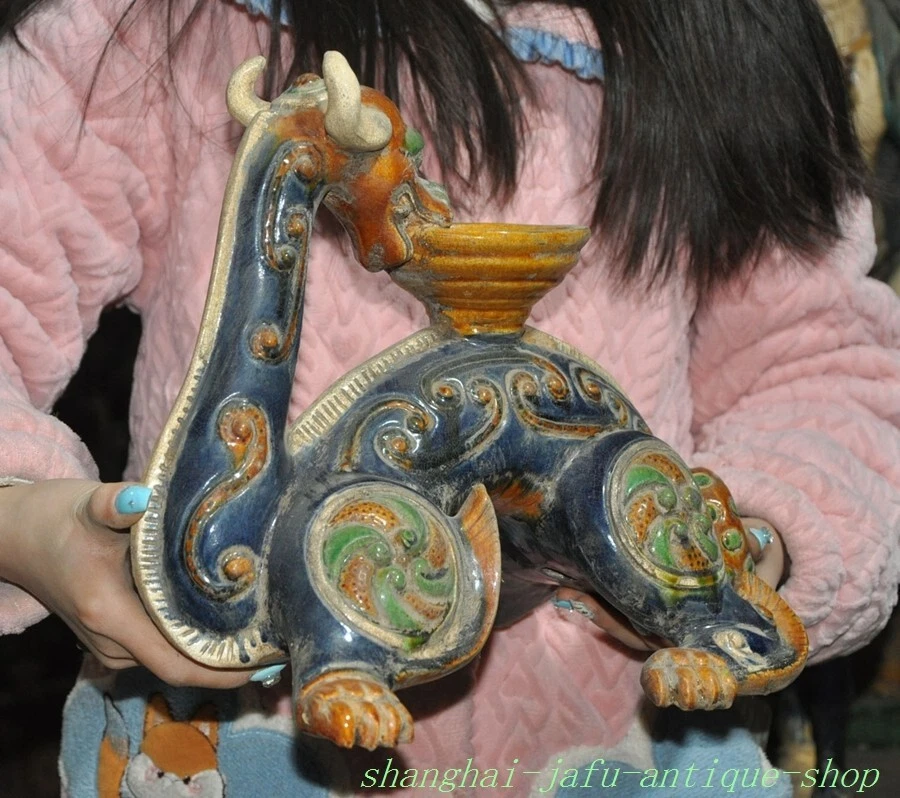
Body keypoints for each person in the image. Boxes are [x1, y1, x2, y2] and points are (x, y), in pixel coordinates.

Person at [0, 0, 897, 795]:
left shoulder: (721, 40)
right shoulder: (169, 25)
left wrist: (729, 551)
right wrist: (27, 524)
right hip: (228, 746)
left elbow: (816, 360)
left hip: (639, 734)